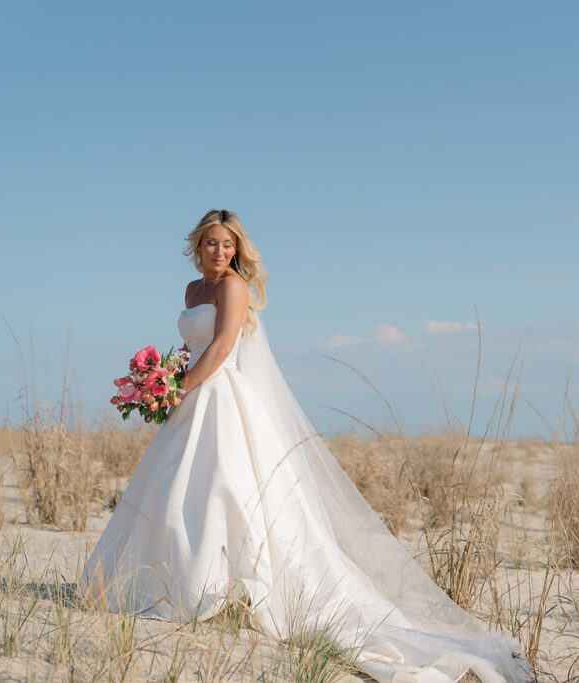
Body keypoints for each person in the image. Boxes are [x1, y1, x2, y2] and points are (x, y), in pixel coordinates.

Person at [80, 210, 533, 683]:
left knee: (225, 486)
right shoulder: (192, 290)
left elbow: (219, 348)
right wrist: (165, 380)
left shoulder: (232, 287)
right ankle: (171, 580)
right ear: (198, 247)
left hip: (217, 394)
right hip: (193, 396)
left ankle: (227, 588)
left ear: (237, 250)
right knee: (179, 486)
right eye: (212, 244)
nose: (220, 252)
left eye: (228, 245)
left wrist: (180, 387)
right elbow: (192, 347)